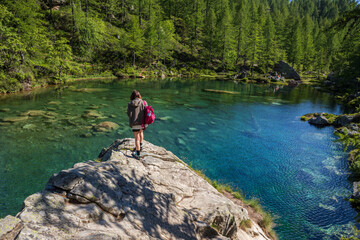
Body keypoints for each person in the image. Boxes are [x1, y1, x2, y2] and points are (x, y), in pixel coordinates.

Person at [127, 90, 147, 160]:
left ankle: (138, 154)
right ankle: (141, 146)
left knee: (136, 139)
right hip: (142, 122)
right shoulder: (144, 102)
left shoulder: (130, 104)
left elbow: (128, 114)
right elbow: (146, 111)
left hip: (134, 123)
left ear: (132, 96)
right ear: (139, 95)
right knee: (141, 132)